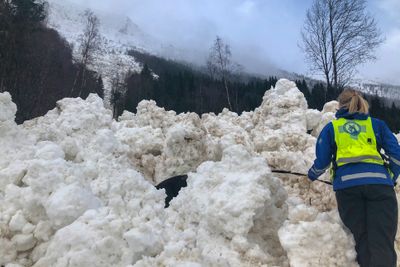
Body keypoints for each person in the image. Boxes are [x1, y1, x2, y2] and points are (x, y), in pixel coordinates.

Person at [308, 89, 400, 267]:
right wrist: (390, 176)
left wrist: (311, 175)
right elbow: (396, 155)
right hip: (380, 187)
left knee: (361, 240)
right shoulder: (376, 125)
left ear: (340, 106)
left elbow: (322, 162)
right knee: (382, 241)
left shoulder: (332, 128)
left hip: (348, 190)